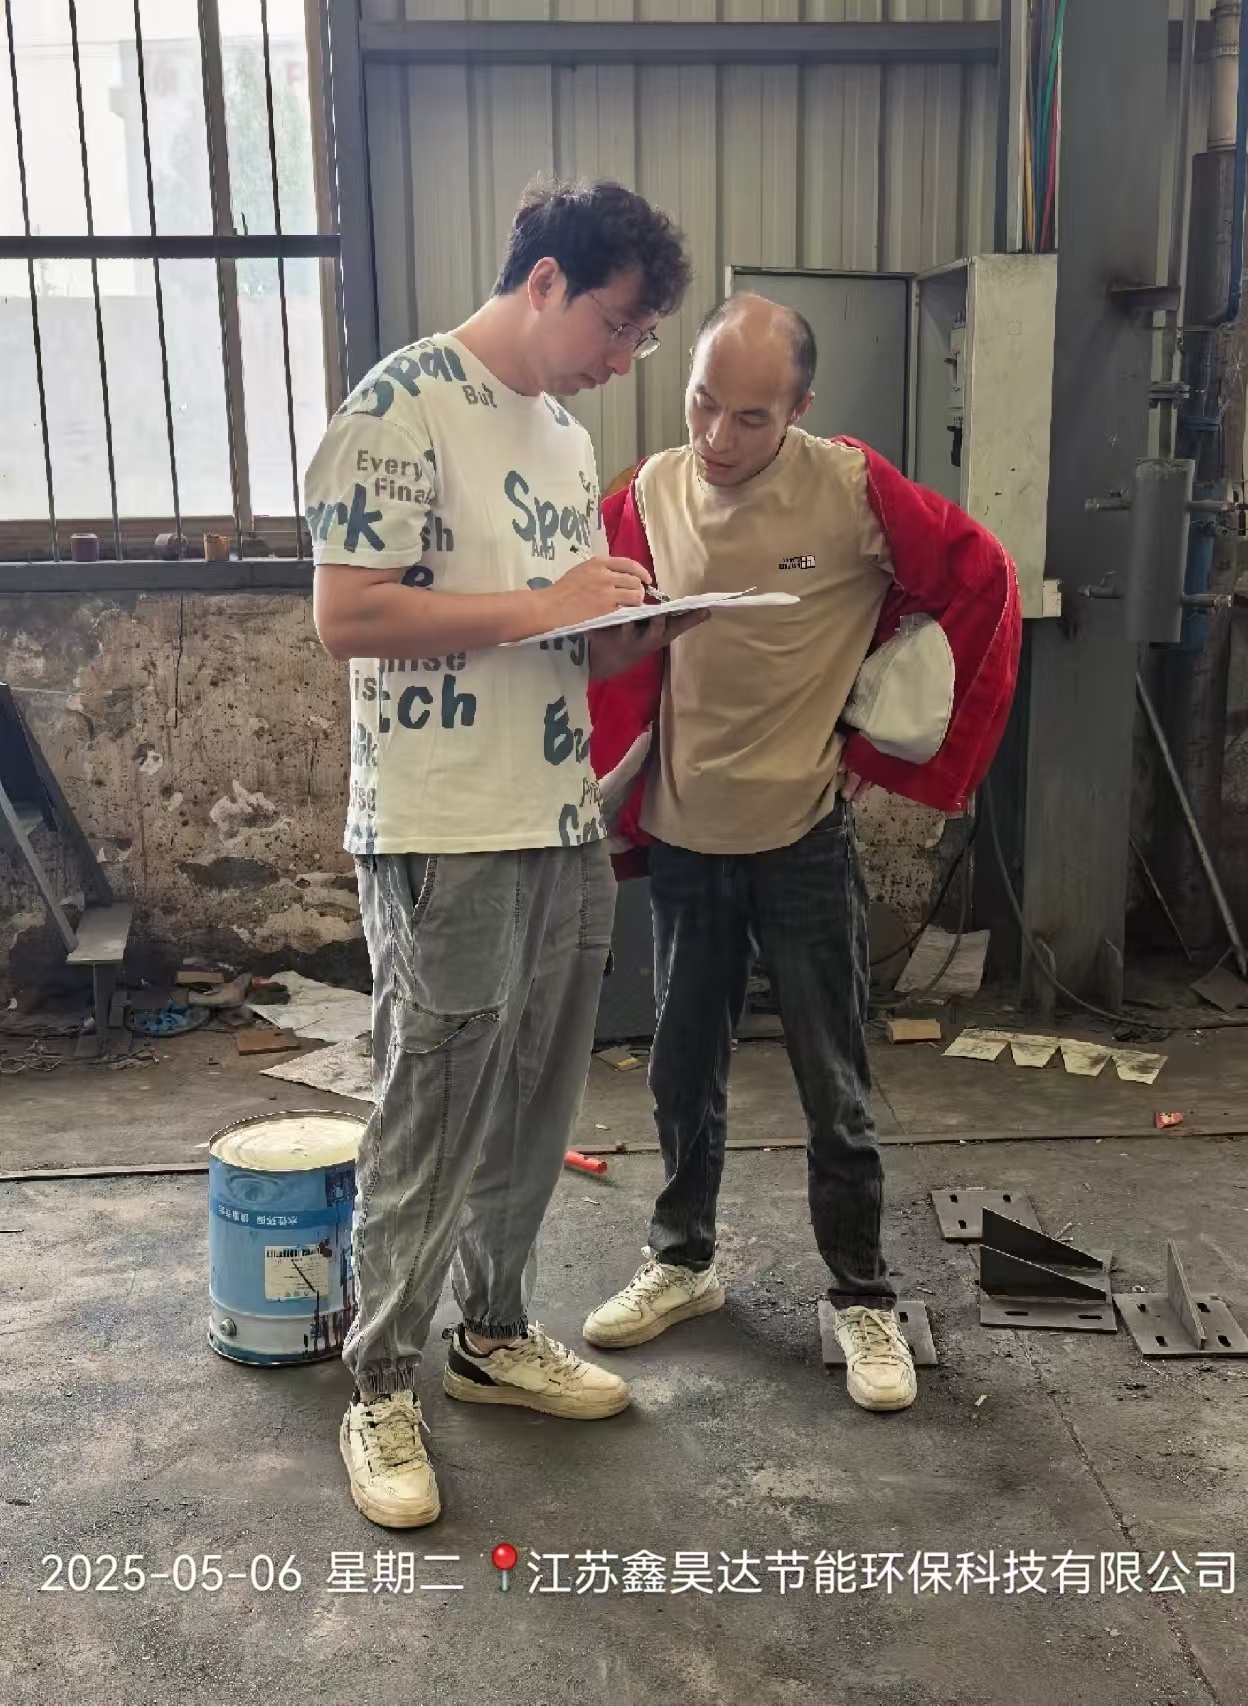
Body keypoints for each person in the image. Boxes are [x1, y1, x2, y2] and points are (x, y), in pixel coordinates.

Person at [304, 179, 696, 1528]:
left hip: (558, 813)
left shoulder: (568, 440)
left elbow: (551, 632)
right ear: (542, 280)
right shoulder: (398, 407)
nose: (623, 356)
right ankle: (378, 1384)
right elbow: (349, 615)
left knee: (533, 1097)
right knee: (432, 1106)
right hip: (443, 825)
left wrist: (629, 631)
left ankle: (491, 1332)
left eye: (642, 336)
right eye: (617, 323)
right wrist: (544, 603)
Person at [584, 293, 1021, 1414]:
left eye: (750, 417)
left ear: (800, 409)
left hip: (802, 841)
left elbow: (980, 577)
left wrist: (883, 737)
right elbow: (596, 644)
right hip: (685, 840)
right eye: (702, 404)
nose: (717, 438)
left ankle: (862, 1295)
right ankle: (682, 1259)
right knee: (681, 1069)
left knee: (835, 1083)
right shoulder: (646, 493)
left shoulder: (854, 492)